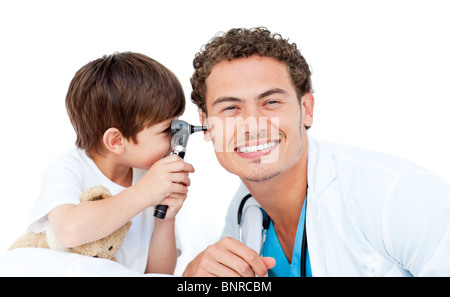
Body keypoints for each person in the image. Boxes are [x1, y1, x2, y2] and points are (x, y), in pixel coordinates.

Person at [182, 27, 450, 276]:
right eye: (230, 108)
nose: (252, 126)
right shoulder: (245, 211)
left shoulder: (397, 196)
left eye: (271, 102)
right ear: (206, 124)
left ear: (307, 109)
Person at [27, 52, 194, 274]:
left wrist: (165, 220)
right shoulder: (67, 169)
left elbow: (159, 272)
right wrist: (144, 193)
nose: (175, 137)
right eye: (166, 130)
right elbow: (68, 230)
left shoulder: (149, 178)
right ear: (116, 141)